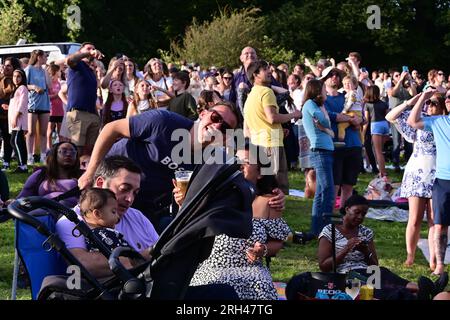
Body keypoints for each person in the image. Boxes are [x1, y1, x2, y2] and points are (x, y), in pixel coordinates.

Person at [78, 101, 241, 231]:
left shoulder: (207, 161)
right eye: (215, 117)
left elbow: (189, 200)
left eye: (225, 127)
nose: (218, 126)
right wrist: (90, 171)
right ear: (203, 113)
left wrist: (182, 200)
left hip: (143, 206)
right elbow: (111, 129)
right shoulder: (164, 122)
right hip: (109, 187)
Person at [187, 143, 291, 300]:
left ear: (260, 173)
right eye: (236, 160)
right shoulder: (216, 197)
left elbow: (277, 243)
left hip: (250, 270)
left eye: (246, 162)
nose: (239, 165)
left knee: (261, 284)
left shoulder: (268, 202)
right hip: (213, 267)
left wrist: (262, 250)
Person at [318, 194, 447, 300]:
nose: (360, 217)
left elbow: (374, 265)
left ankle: (426, 290)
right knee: (379, 286)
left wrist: (366, 251)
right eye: (356, 212)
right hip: (346, 276)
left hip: (367, 271)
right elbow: (324, 266)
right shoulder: (330, 231)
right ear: (347, 209)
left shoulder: (365, 232)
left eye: (363, 214)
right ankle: (419, 294)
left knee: (383, 273)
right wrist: (346, 249)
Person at [57, 156, 159, 277]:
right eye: (124, 189)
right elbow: (82, 264)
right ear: (100, 183)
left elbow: (163, 253)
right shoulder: (71, 221)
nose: (130, 199)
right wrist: (139, 259)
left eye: (135, 192)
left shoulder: (136, 215)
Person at [386, 91, 446, 270]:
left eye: (434, 102)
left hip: (439, 175)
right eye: (428, 103)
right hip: (418, 175)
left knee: (435, 221)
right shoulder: (420, 120)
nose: (430, 105)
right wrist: (413, 101)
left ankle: (434, 259)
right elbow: (391, 116)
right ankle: (410, 256)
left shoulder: (445, 123)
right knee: (415, 218)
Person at [407, 88, 450, 275]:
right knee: (439, 224)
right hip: (442, 179)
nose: (448, 100)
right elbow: (412, 121)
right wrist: (423, 97)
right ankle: (439, 264)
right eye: (447, 98)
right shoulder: (438, 121)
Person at [243, 60, 301, 194]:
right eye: (265, 69)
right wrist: (294, 114)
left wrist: (280, 129)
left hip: (259, 142)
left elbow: (260, 120)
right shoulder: (266, 92)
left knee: (265, 181)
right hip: (271, 142)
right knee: (276, 182)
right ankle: (275, 211)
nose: (269, 72)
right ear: (255, 75)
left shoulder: (251, 95)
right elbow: (272, 118)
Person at [322, 66, 363, 209]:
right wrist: (348, 118)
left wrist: (359, 120)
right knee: (335, 184)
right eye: (330, 75)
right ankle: (330, 218)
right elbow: (328, 116)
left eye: (337, 74)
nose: (334, 77)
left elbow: (359, 114)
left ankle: (344, 215)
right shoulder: (322, 99)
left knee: (349, 184)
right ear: (324, 79)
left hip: (354, 144)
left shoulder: (347, 95)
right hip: (334, 145)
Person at [301, 79, 335, 237]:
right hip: (320, 150)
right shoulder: (310, 104)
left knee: (322, 191)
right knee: (328, 190)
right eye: (323, 89)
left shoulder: (317, 106)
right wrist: (324, 113)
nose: (326, 92)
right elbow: (324, 121)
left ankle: (317, 230)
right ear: (316, 90)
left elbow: (325, 123)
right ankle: (326, 229)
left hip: (325, 150)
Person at [65, 42, 104, 156]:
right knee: (77, 148)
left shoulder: (90, 71)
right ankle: (75, 173)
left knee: (91, 150)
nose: (92, 50)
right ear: (81, 51)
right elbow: (69, 60)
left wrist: (97, 116)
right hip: (78, 112)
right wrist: (87, 53)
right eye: (88, 48)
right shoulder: (77, 65)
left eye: (93, 48)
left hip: (92, 114)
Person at [17, 141, 81, 208]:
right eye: (63, 151)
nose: (68, 154)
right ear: (54, 155)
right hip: (42, 213)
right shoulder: (41, 174)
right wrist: (22, 205)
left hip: (71, 214)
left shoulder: (83, 176)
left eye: (73, 152)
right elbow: (22, 198)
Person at [79, 188, 131, 253]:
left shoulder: (91, 236)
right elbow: (124, 255)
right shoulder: (104, 234)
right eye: (113, 212)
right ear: (97, 214)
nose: (118, 217)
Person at [25, 49, 51, 164]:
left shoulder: (44, 70)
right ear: (38, 57)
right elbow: (23, 84)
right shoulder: (29, 69)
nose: (46, 58)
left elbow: (49, 85)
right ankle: (29, 156)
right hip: (33, 103)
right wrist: (34, 87)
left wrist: (46, 71)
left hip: (44, 103)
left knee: (44, 132)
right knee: (31, 132)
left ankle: (43, 156)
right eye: (45, 56)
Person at [0, 57, 21, 170]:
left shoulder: (16, 81)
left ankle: (7, 162)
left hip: (9, 114)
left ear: (14, 67)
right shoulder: (1, 78)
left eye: (9, 65)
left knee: (8, 139)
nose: (5, 67)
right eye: (5, 65)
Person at [364, 85, 389, 177]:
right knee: (381, 151)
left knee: (377, 152)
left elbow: (366, 120)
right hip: (385, 125)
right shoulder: (384, 103)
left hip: (375, 125)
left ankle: (382, 173)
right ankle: (383, 170)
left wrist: (363, 132)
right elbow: (388, 116)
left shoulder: (367, 105)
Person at [8, 69, 29, 173]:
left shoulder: (23, 88)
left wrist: (16, 116)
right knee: (19, 141)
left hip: (19, 121)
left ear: (22, 77)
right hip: (15, 120)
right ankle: (23, 165)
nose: (16, 79)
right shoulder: (16, 89)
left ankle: (22, 165)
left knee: (15, 141)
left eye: (18, 76)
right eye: (14, 76)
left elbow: (22, 104)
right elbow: (16, 103)